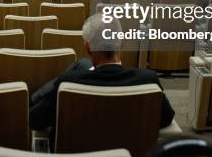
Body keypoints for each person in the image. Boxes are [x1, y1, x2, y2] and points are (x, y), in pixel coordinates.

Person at [29, 13, 175, 138]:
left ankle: (33, 98)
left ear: (87, 48)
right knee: (83, 64)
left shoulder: (69, 84)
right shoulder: (148, 80)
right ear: (121, 43)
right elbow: (166, 118)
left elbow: (34, 120)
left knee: (81, 65)